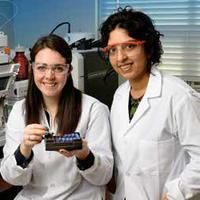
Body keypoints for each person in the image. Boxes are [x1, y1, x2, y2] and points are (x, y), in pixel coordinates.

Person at [100, 6, 200, 200]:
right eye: (113, 50)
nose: (120, 58)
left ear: (147, 48)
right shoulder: (120, 95)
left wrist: (175, 194)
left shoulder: (178, 95)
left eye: (130, 46)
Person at [0, 34, 113, 200]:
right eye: (42, 67)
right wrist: (24, 149)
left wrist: (84, 154)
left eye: (58, 68)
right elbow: (12, 178)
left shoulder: (93, 110)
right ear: (32, 68)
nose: (49, 76)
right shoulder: (20, 111)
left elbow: (103, 177)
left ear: (69, 71)